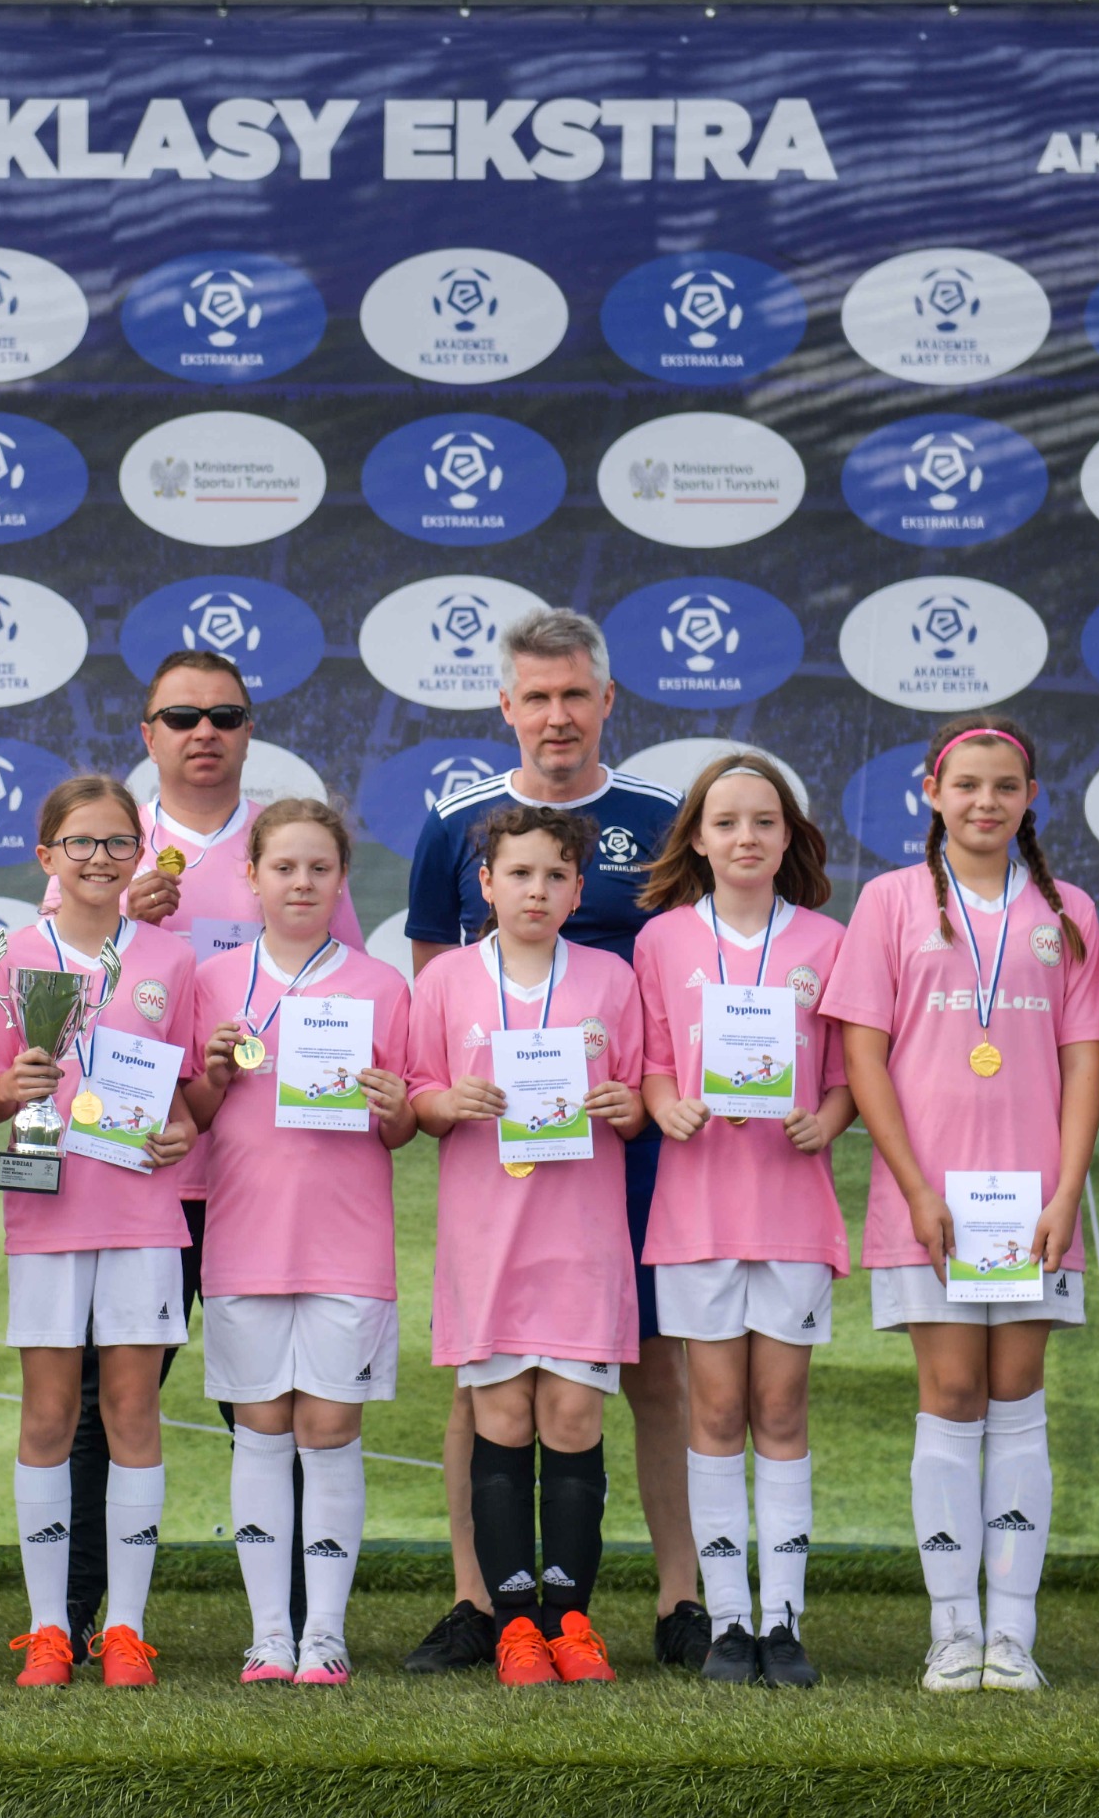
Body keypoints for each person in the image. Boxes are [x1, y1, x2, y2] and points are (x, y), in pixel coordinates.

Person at [40, 649, 363, 1657]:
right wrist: (115, 924)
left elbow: (342, 998)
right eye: (181, 716)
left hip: (261, 1178)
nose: (203, 731)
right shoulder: (107, 847)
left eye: (224, 713)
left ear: (249, 729)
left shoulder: (286, 846)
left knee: (267, 1401)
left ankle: (297, 1622)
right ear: (148, 734)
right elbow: (50, 1012)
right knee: (103, 1397)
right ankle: (77, 1613)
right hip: (138, 1174)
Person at [401, 606, 702, 1673]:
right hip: (502, 1156)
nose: (557, 714)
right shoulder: (457, 823)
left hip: (630, 1135)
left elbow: (689, 960)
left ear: (607, 699)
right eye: (537, 696)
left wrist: (645, 1097)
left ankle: (678, 1595)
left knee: (647, 1364)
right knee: (485, 1376)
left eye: (576, 693)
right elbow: (436, 984)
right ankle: (481, 1600)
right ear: (506, 705)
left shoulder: (662, 818)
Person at [820, 716, 1099, 1695]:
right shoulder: (890, 901)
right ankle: (953, 1630)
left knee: (1018, 1395)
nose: (986, 801)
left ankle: (1012, 1632)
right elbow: (863, 1055)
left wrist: (1067, 1191)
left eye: (1006, 785)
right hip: (929, 1200)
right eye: (967, 784)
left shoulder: (1069, 910)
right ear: (932, 793)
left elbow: (1083, 1062)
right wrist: (912, 1185)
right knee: (949, 1393)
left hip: (1033, 1204)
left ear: (1030, 799)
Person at [408, 804, 647, 1688]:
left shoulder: (611, 978)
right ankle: (514, 1627)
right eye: (518, 873)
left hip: (581, 1241)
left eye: (554, 875)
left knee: (574, 1419)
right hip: (487, 1242)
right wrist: (447, 1102)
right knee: (501, 1420)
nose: (536, 890)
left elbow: (641, 1093)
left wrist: (627, 1105)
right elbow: (418, 1097)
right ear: (486, 883)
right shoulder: (445, 980)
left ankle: (571, 1622)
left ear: (579, 889)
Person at [631, 754, 855, 1688]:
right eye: (725, 822)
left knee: (781, 1408)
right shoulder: (661, 941)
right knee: (716, 1409)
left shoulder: (828, 942)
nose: (746, 837)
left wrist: (827, 1121)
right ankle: (728, 1620)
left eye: (764, 820)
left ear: (788, 835)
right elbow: (651, 1065)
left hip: (792, 1208)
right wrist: (669, 1104)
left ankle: (784, 1620)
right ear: (697, 838)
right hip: (697, 1212)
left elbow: (846, 1075)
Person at [184, 799, 417, 1686]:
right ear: (251, 876)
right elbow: (196, 1115)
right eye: (284, 866)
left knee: (328, 1427)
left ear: (342, 879)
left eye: (320, 867)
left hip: (346, 1244)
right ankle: (268, 1635)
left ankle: (325, 1634)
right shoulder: (213, 981)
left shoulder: (380, 985)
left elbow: (402, 1128)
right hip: (246, 1240)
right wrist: (210, 1074)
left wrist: (394, 1105)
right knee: (259, 1429)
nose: (302, 882)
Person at [0, 774, 200, 1689]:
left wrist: (181, 1130)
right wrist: (13, 1086)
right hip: (47, 1208)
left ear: (138, 854)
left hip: (142, 1213)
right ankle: (47, 1629)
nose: (100, 858)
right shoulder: (10, 956)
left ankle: (125, 1629)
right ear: (48, 856)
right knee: (47, 1413)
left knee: (132, 1411)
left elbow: (185, 1097)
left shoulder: (171, 959)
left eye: (117, 842)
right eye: (81, 842)